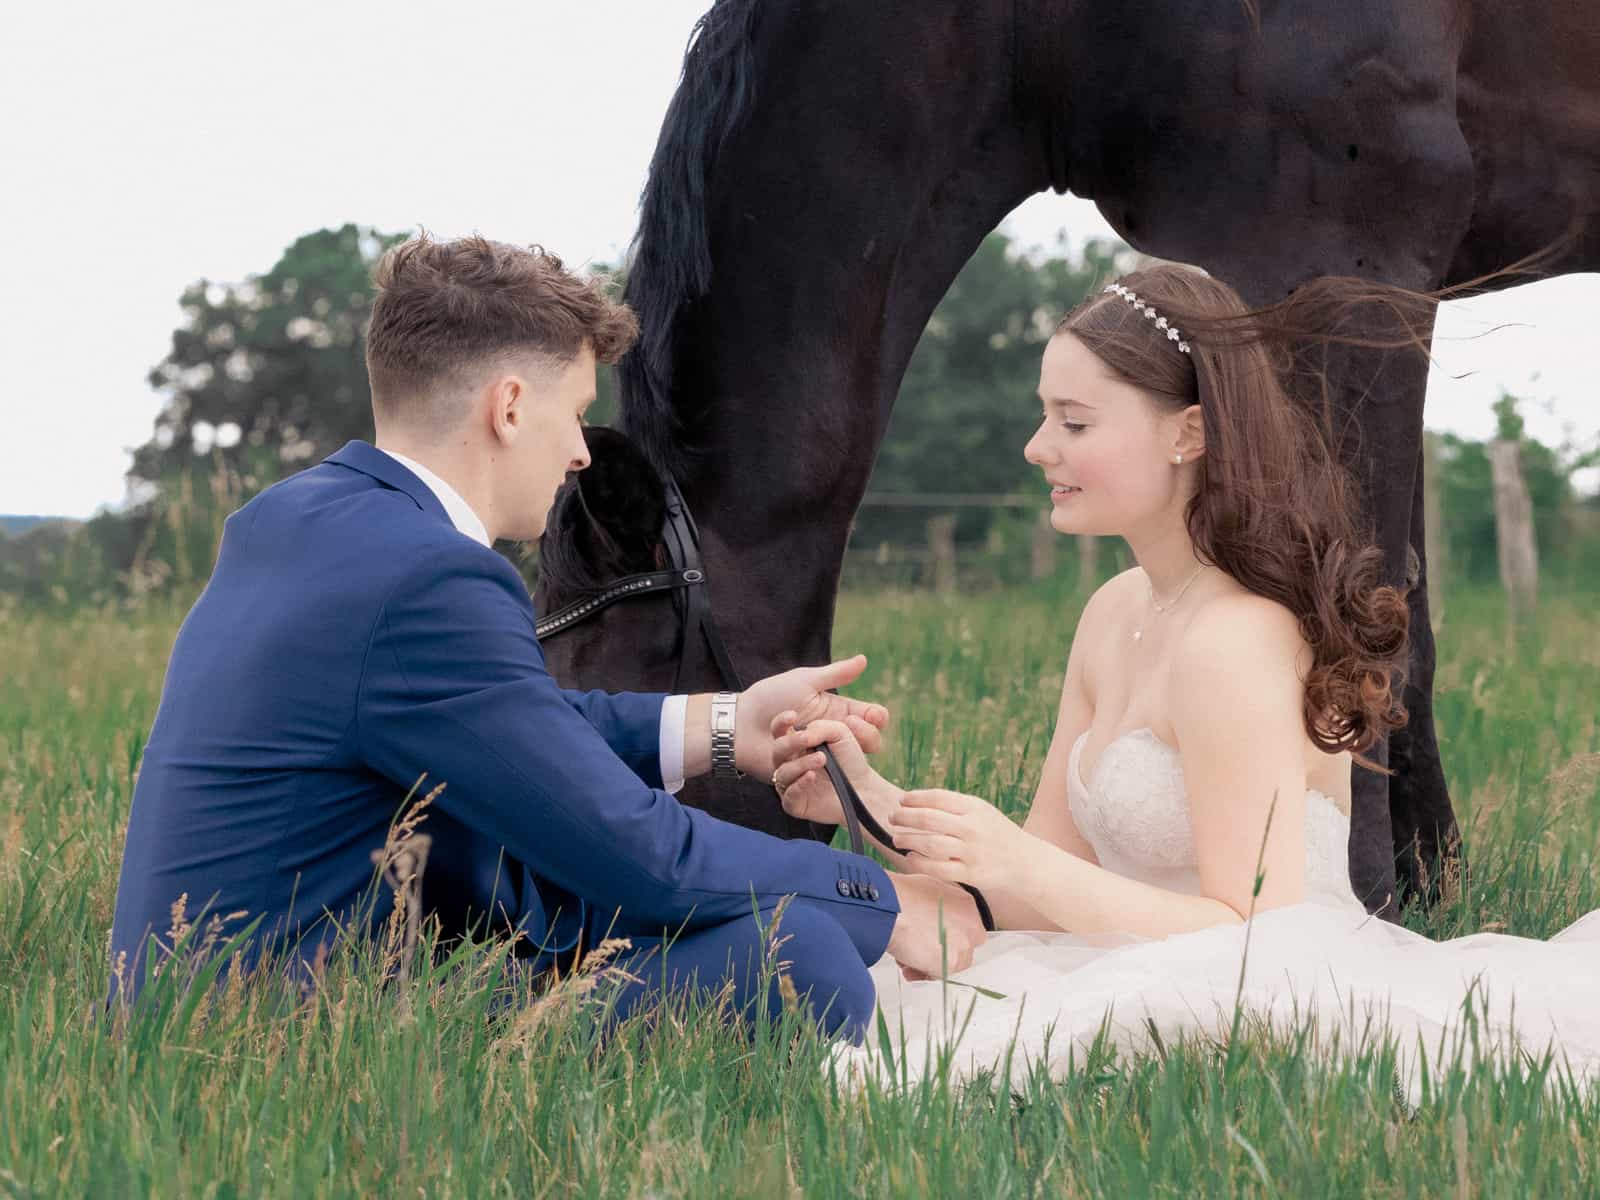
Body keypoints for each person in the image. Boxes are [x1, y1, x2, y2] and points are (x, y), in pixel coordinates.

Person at [107, 233, 985, 1038]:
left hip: (195, 1004)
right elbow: (640, 856)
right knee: (801, 954)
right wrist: (882, 898)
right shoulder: (431, 578)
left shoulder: (296, 519)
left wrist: (729, 727)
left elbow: (518, 727)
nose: (581, 453)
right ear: (511, 407)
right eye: (575, 412)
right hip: (287, 1043)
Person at [772, 266, 1600, 1093]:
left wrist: (1023, 864)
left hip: (1268, 986)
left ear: (1188, 433)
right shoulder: (1112, 611)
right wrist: (873, 802)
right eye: (1044, 415)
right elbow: (1033, 891)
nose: (1037, 446)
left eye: (1075, 421)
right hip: (1114, 960)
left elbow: (1253, 936)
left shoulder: (1237, 639)